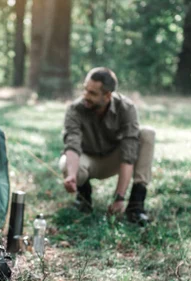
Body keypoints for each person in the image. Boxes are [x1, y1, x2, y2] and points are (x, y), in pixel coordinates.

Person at [59, 67, 155, 224]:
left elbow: (128, 154)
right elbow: (72, 144)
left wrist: (119, 197)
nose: (86, 96)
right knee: (66, 164)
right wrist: (71, 174)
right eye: (85, 90)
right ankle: (83, 197)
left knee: (147, 134)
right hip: (87, 160)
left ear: (108, 95)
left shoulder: (126, 108)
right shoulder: (75, 109)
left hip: (114, 159)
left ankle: (136, 205)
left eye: (92, 93)